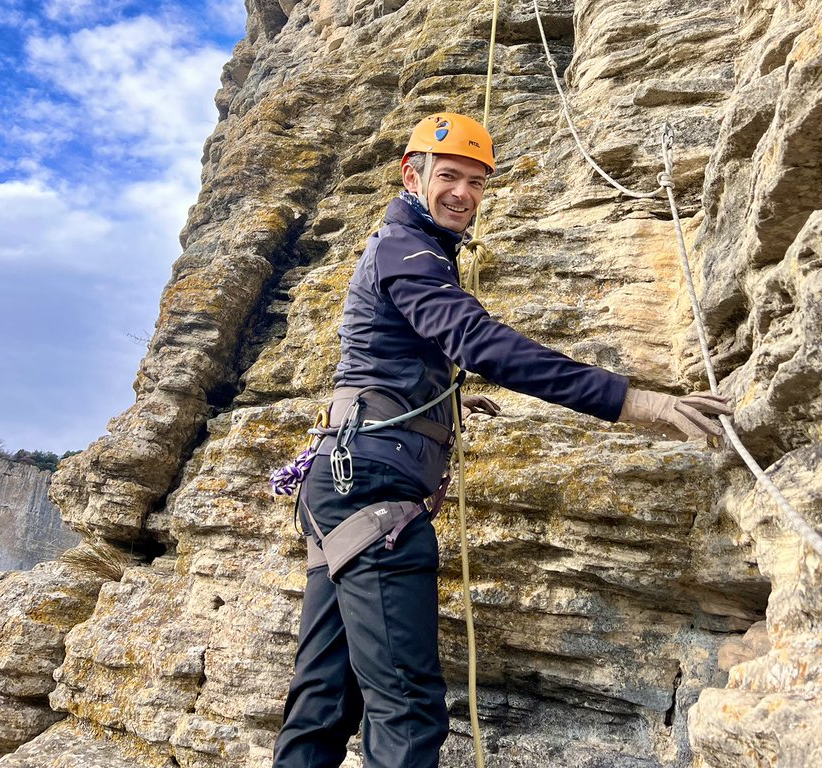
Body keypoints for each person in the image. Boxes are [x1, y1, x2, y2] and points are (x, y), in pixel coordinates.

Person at [271, 112, 730, 768]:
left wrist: (443, 404)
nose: (463, 193)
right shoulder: (408, 249)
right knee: (406, 707)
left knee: (323, 701)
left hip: (342, 485)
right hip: (372, 493)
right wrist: (636, 402)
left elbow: (383, 355)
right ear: (412, 176)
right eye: (449, 176)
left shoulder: (408, 248)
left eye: (477, 182)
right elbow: (479, 341)